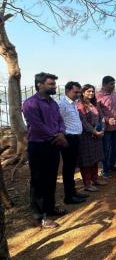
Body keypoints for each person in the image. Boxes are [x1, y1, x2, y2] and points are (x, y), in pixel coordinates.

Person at [22, 72, 68, 228]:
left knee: (51, 178)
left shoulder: (53, 103)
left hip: (54, 144)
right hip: (39, 145)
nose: (54, 86)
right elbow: (37, 125)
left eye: (54, 84)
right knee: (39, 181)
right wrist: (57, 135)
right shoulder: (30, 103)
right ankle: (40, 216)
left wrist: (61, 132)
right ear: (39, 84)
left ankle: (50, 208)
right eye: (51, 84)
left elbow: (60, 120)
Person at [58, 81, 88, 205]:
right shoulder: (62, 104)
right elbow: (58, 122)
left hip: (76, 138)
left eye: (79, 92)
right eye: (75, 92)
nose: (78, 94)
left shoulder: (74, 103)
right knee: (69, 168)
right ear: (67, 91)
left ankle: (73, 192)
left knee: (72, 167)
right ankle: (69, 197)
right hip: (68, 139)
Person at [77, 84, 107, 192]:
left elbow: (101, 117)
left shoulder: (94, 104)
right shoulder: (80, 105)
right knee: (86, 161)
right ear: (83, 92)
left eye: (92, 91)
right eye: (88, 91)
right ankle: (87, 184)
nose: (91, 93)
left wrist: (102, 129)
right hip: (86, 137)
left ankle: (95, 179)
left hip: (97, 136)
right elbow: (84, 122)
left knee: (95, 159)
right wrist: (94, 131)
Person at [96, 76, 116, 178]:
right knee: (105, 148)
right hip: (106, 128)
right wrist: (107, 120)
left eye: (114, 84)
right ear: (104, 84)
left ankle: (111, 165)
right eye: (111, 84)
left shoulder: (115, 94)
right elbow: (98, 113)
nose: (113, 86)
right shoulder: (98, 96)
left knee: (114, 148)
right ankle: (105, 169)